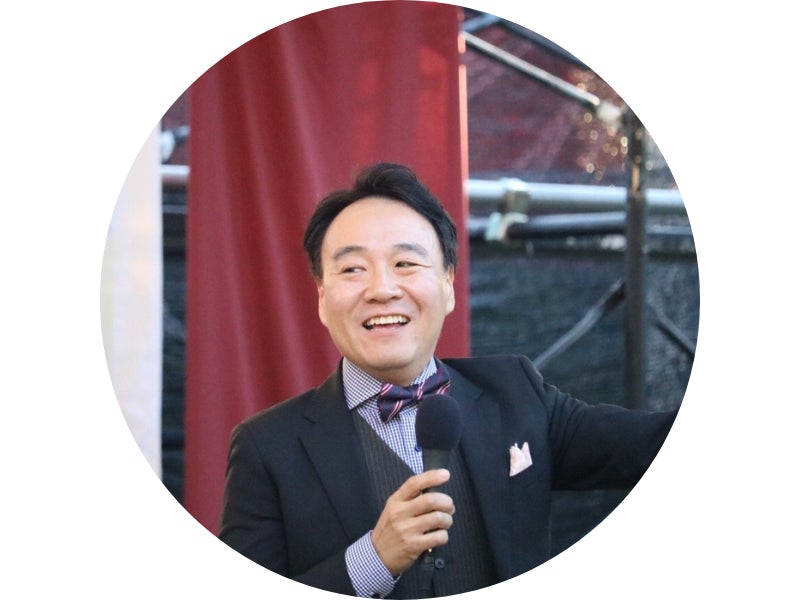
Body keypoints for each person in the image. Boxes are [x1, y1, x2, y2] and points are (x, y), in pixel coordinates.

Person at [218, 162, 678, 598]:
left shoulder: (516, 393)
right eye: (353, 269)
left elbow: (654, 443)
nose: (382, 289)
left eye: (405, 263)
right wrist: (373, 559)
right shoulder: (267, 448)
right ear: (322, 297)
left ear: (448, 285)